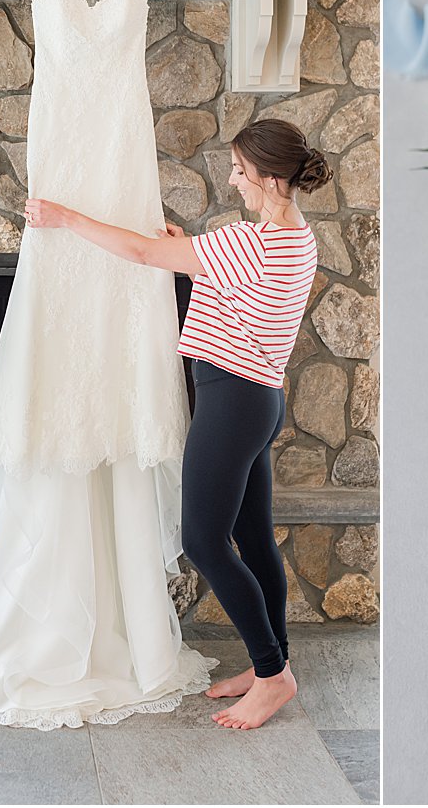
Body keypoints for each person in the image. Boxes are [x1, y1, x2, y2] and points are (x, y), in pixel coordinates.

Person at [24, 118, 330, 730]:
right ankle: (270, 662)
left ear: (270, 177)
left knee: (203, 541)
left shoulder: (247, 243)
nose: (234, 180)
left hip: (231, 404)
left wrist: (65, 218)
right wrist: (192, 248)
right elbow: (238, 295)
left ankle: (273, 676)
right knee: (256, 541)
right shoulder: (295, 239)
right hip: (259, 401)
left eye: (241, 171)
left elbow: (141, 253)